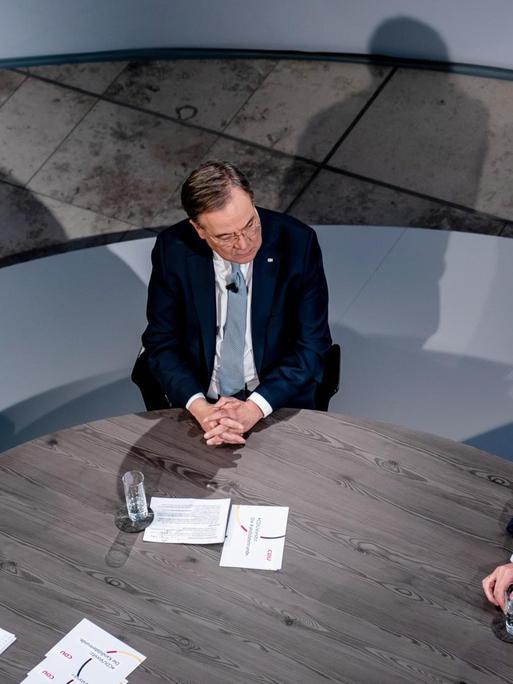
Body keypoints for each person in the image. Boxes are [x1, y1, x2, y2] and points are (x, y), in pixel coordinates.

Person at [142, 160, 332, 446]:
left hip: (275, 397)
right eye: (226, 236)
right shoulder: (173, 249)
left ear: (253, 203)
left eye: (250, 225)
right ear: (199, 229)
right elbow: (160, 342)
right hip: (201, 402)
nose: (244, 245)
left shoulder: (297, 243)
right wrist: (200, 408)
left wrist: (254, 408)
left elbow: (312, 344)